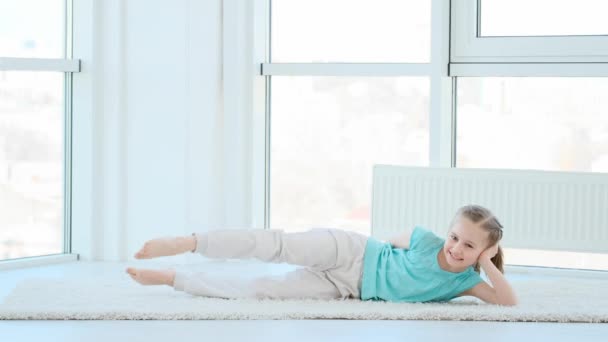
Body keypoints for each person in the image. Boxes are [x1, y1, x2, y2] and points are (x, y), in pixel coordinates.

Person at [126, 204, 518, 306]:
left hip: (346, 287)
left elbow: (508, 302)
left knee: (263, 289)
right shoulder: (426, 240)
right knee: (275, 245)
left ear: (485, 250)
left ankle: (173, 277)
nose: (456, 248)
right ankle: (190, 242)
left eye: (470, 245)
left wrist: (486, 265)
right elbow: (388, 241)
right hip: (351, 249)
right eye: (455, 237)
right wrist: (379, 262)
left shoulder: (466, 281)